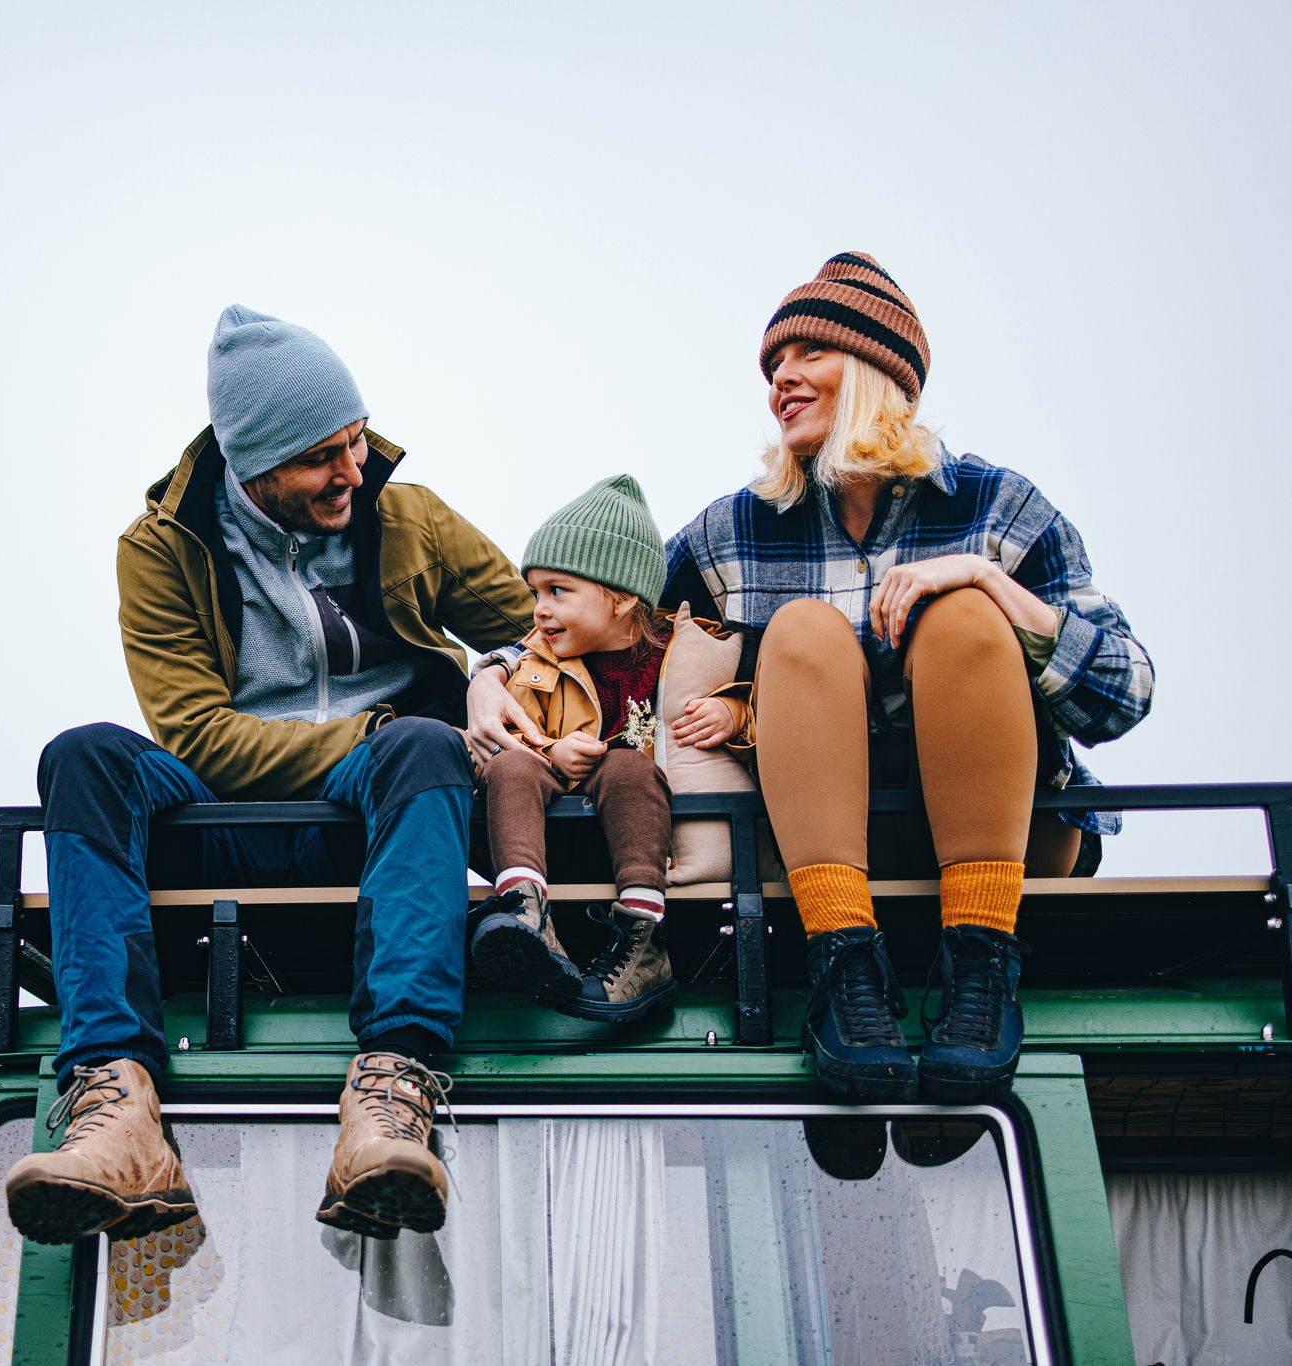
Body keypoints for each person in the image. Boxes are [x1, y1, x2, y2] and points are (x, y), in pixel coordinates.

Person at [467, 252, 1152, 1103]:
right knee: (800, 628)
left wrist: (988, 583)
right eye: (771, 367)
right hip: (829, 847)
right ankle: (846, 969)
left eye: (806, 356)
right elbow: (615, 614)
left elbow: (1125, 693)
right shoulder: (737, 530)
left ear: (874, 372)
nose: (780, 379)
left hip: (996, 841)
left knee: (966, 614)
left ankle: (981, 966)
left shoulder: (999, 508)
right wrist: (492, 673)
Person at [4, 305, 534, 1246]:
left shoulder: (410, 518)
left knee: (422, 741)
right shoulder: (160, 549)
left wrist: (490, 670)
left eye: (358, 438)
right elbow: (199, 736)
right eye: (323, 456)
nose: (354, 470)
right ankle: (117, 1107)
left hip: (393, 800)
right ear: (253, 467)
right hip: (228, 816)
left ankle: (392, 1093)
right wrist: (370, 725)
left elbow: (533, 620)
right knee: (84, 755)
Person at [472, 474, 744, 1023]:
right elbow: (511, 725)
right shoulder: (533, 661)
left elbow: (761, 699)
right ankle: (526, 913)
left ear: (621, 599)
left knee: (625, 765)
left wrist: (734, 711)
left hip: (638, 829)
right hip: (562, 822)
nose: (539, 610)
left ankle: (642, 937)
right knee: (510, 768)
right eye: (534, 594)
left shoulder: (687, 651)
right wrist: (549, 753)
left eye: (557, 591)